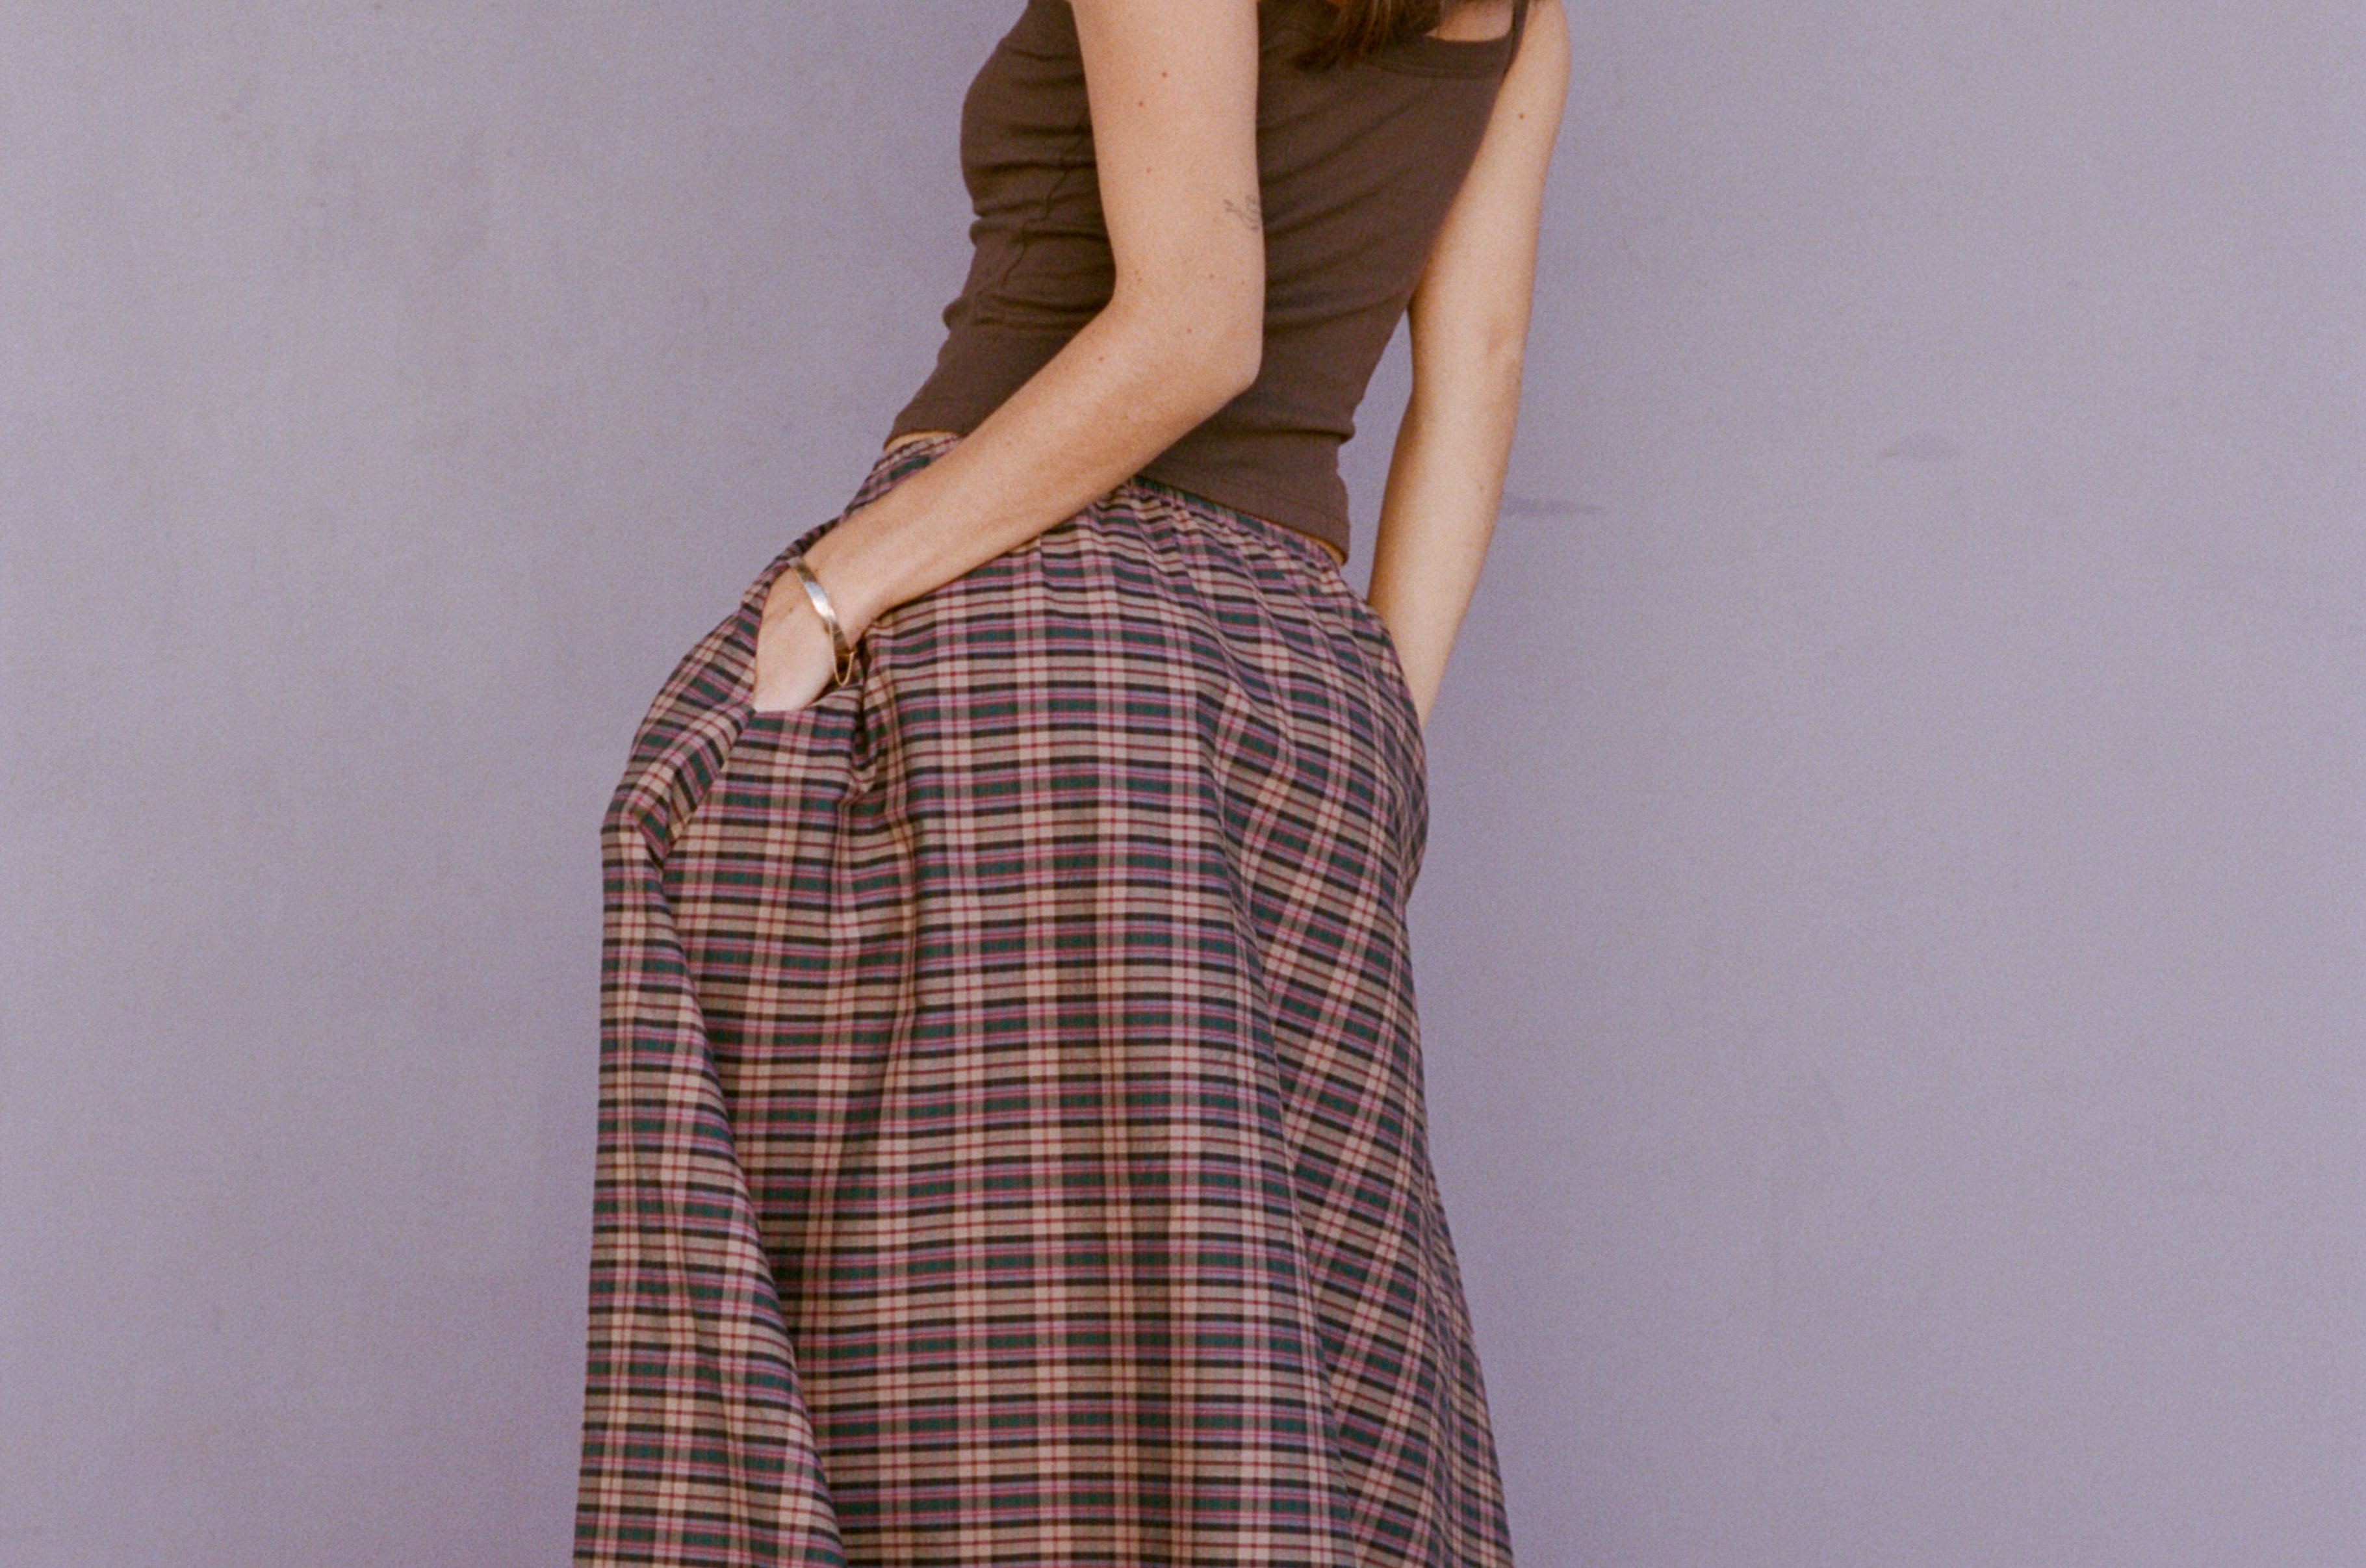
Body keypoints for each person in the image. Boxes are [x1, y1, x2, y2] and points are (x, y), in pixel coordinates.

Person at [572, 0, 1569, 1562]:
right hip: (1295, 706)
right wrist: (1384, 738)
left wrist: (835, 590)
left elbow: (1195, 328)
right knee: (1260, 1359)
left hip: (1038, 655)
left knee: (958, 1360)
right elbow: (1480, 369)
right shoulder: (1529, 18)